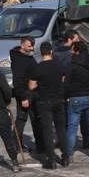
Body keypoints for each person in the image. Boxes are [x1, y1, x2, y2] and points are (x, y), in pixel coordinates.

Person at [63, 41, 89, 164]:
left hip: (76, 98)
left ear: (77, 51)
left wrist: (66, 96)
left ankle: (69, 155)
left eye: (72, 50)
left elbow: (67, 84)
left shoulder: (72, 64)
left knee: (72, 127)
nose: (71, 52)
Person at [28, 42, 67, 170]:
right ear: (51, 52)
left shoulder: (38, 68)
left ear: (41, 52)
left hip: (44, 101)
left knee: (47, 131)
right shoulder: (58, 65)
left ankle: (51, 160)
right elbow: (63, 80)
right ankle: (65, 157)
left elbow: (31, 86)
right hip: (58, 100)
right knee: (61, 129)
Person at [9, 37, 41, 156]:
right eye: (29, 46)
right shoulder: (19, 60)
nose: (32, 48)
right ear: (22, 45)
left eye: (33, 45)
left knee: (32, 119)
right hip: (25, 93)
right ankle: (18, 144)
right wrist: (23, 98)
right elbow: (17, 81)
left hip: (30, 92)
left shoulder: (26, 57)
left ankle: (21, 144)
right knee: (25, 120)